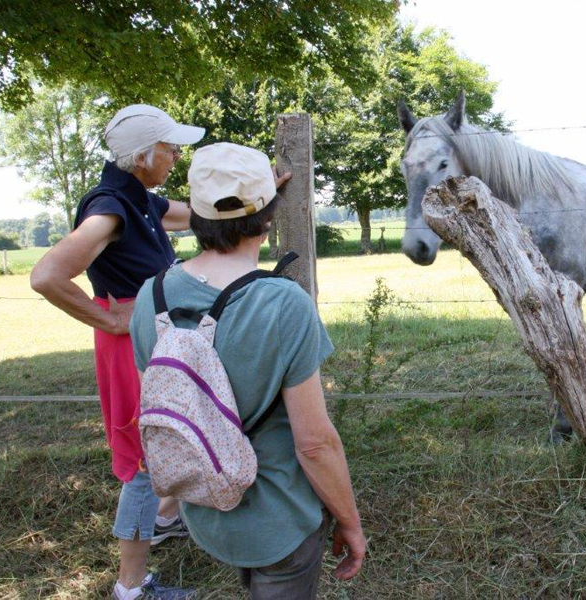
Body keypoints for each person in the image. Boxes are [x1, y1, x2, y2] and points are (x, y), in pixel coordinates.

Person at [129, 142, 366, 599]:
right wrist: (351, 523)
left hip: (208, 514)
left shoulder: (150, 297)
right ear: (268, 216)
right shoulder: (283, 303)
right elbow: (315, 443)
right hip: (280, 522)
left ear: (194, 214)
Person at [31, 104, 208, 599]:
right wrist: (110, 319)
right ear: (143, 154)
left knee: (170, 432)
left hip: (151, 337)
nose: (175, 155)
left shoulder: (141, 201)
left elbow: (199, 215)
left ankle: (166, 518)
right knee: (144, 458)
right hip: (130, 346)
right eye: (170, 147)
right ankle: (131, 588)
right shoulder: (110, 208)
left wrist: (256, 192)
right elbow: (46, 275)